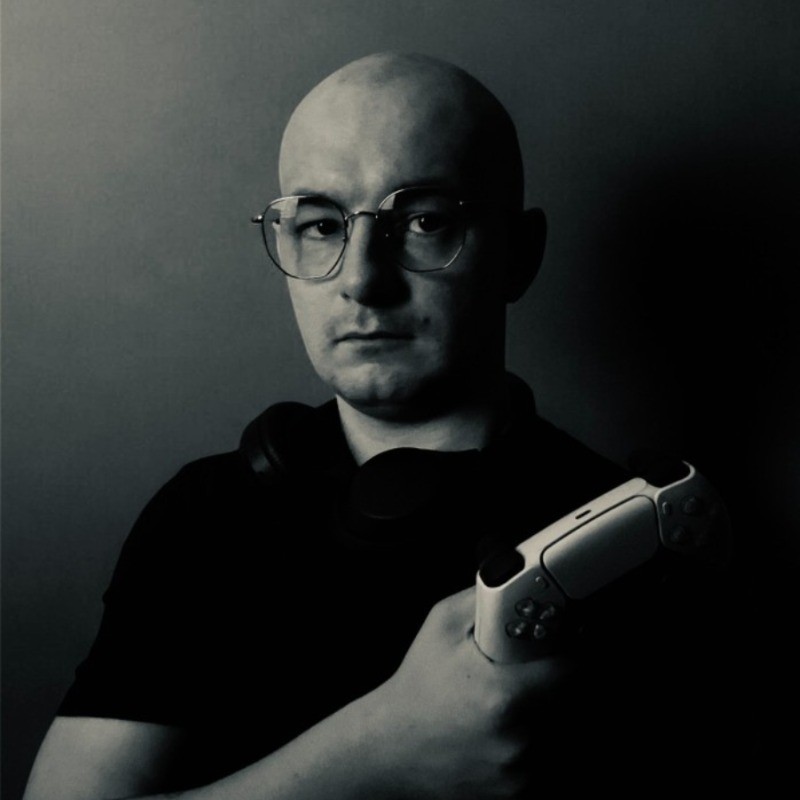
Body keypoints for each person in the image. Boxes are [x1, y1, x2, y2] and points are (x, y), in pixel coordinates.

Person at [22, 52, 733, 800]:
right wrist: (376, 754)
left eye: (424, 221)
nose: (362, 279)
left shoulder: (639, 544)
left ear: (519, 254)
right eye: (321, 224)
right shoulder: (203, 516)